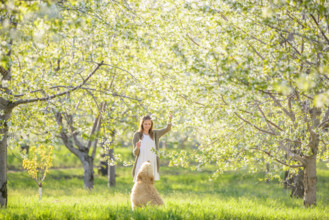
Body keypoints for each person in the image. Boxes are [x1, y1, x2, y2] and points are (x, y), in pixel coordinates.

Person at [132, 115, 172, 182]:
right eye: (145, 124)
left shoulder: (155, 133)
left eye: (149, 124)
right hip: (141, 160)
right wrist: (137, 147)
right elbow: (135, 153)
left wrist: (170, 119)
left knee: (150, 182)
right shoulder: (137, 135)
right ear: (142, 124)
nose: (147, 126)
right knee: (140, 182)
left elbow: (167, 129)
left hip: (152, 160)